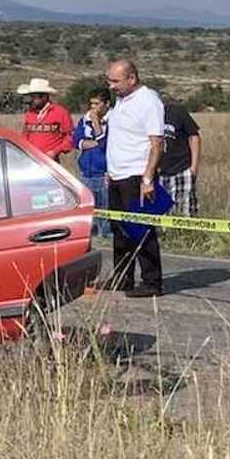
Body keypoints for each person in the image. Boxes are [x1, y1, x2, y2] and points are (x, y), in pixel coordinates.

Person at [102, 59, 165, 297]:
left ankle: (152, 281)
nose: (112, 86)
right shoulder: (120, 101)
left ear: (132, 78)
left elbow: (157, 144)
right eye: (109, 81)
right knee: (119, 229)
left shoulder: (149, 101)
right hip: (117, 175)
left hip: (137, 176)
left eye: (116, 81)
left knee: (140, 229)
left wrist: (148, 179)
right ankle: (122, 277)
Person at [73, 87, 112, 238]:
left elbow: (106, 145)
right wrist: (91, 142)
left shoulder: (113, 120)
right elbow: (76, 141)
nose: (93, 108)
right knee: (89, 208)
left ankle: (106, 236)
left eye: (97, 104)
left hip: (104, 173)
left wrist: (96, 124)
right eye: (91, 104)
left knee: (106, 209)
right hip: (86, 171)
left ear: (106, 104)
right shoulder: (84, 120)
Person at [159, 99, 201, 217]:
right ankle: (168, 235)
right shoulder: (147, 117)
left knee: (185, 211)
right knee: (164, 212)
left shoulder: (177, 112)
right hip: (160, 171)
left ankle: (187, 235)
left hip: (182, 168)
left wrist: (194, 167)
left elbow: (194, 136)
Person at [18, 77, 73, 161]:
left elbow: (70, 137)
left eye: (34, 96)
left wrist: (55, 152)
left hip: (51, 161)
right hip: (31, 160)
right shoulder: (29, 113)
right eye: (31, 96)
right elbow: (25, 135)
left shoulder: (60, 112)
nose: (31, 99)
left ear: (44, 96)